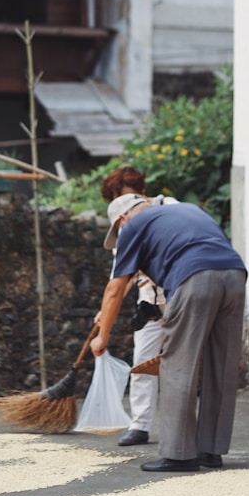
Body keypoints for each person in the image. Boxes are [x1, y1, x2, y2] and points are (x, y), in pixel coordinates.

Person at [92, 195, 247, 473]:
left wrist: (102, 338)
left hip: (195, 276)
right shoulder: (186, 210)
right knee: (221, 365)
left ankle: (180, 455)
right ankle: (211, 451)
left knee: (178, 365)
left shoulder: (132, 227)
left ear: (122, 220)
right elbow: (197, 262)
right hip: (235, 276)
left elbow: (115, 289)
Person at [99, 165, 176, 448]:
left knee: (181, 364)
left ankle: (179, 427)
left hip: (178, 295)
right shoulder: (123, 226)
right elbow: (120, 276)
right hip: (148, 302)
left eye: (129, 197)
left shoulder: (169, 207)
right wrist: (106, 309)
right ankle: (140, 425)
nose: (125, 206)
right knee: (142, 363)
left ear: (142, 193)